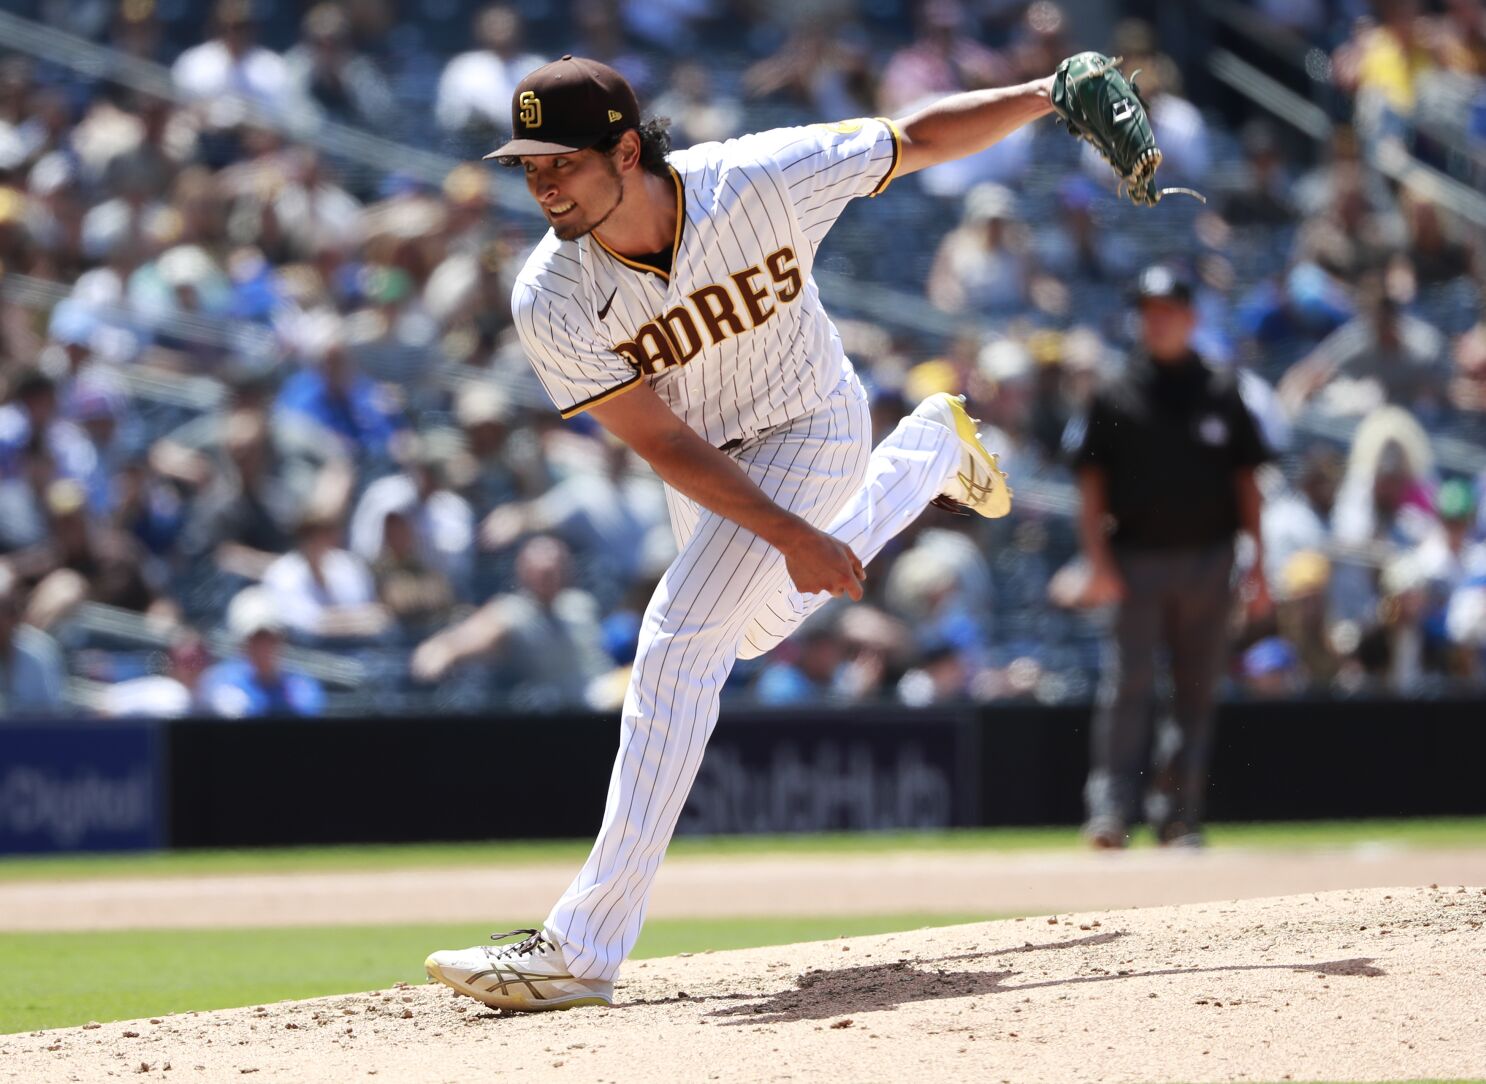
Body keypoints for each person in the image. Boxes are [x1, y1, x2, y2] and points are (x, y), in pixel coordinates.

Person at [424, 53, 1047, 1010]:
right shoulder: (550, 295)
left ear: (626, 149)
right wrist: (794, 535)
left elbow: (915, 138)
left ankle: (582, 946)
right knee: (750, 630)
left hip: (813, 420)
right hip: (709, 460)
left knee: (677, 641)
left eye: (562, 162)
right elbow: (663, 441)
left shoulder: (758, 179)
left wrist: (1044, 94)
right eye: (530, 167)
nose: (542, 184)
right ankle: (928, 453)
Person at [1070, 264, 1272, 850]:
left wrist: (1258, 563)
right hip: (1134, 560)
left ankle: (1178, 814)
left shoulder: (1221, 387)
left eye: (1168, 312)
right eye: (1148, 312)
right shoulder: (1115, 389)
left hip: (1210, 559)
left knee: (1196, 690)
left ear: (1191, 318)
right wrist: (1097, 561)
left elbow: (1247, 483)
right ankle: (1109, 811)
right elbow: (1090, 485)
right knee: (1127, 686)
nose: (1156, 322)